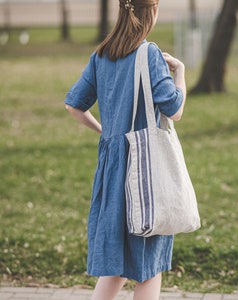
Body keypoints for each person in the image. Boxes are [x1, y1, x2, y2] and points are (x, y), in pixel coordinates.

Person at [64, 0, 186, 299]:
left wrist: (106, 131)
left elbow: (74, 105)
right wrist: (180, 72)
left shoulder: (101, 54)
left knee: (115, 263)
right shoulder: (149, 53)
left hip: (112, 168)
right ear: (151, 12)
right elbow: (175, 109)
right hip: (145, 169)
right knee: (147, 263)